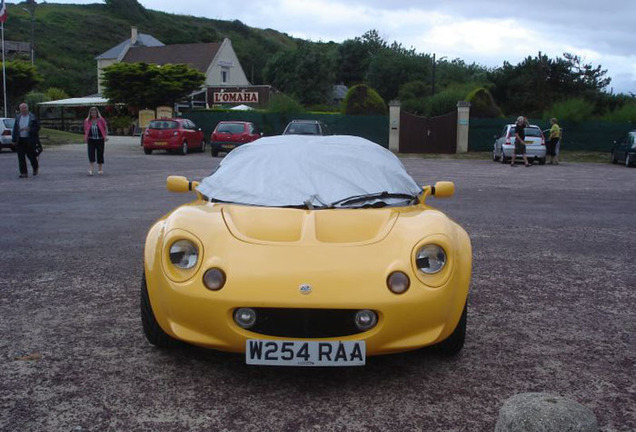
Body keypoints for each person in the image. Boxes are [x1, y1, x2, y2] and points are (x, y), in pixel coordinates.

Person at [12, 102, 41, 178]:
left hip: (29, 139)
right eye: (22, 108)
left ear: (27, 108)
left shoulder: (32, 117)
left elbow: (38, 127)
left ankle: (35, 167)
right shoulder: (18, 117)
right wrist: (14, 139)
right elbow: (15, 129)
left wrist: (30, 129)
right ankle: (24, 173)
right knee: (21, 157)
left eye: (25, 108)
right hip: (20, 139)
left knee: (31, 156)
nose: (23, 109)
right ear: (20, 109)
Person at [83, 106, 109, 175]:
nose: (93, 114)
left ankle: (100, 169)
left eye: (95, 112)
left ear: (97, 113)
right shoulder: (87, 121)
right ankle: (91, 169)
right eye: (92, 112)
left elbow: (105, 127)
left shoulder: (101, 120)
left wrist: (105, 136)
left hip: (100, 139)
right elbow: (86, 130)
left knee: (100, 153)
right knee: (91, 154)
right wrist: (85, 138)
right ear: (90, 113)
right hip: (91, 139)